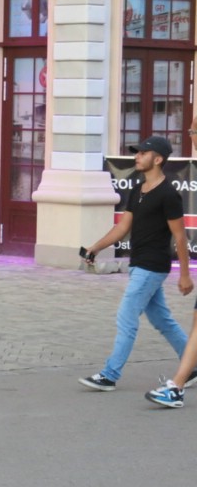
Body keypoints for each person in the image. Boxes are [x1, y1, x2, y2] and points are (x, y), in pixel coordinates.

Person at [79, 134, 194, 392]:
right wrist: (95, 248)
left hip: (152, 266)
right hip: (138, 264)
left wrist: (185, 275)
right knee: (163, 320)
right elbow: (122, 228)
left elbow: (180, 237)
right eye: (137, 152)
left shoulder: (168, 195)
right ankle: (193, 366)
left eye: (143, 153)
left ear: (158, 159)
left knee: (126, 317)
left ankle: (109, 375)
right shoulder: (136, 189)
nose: (137, 156)